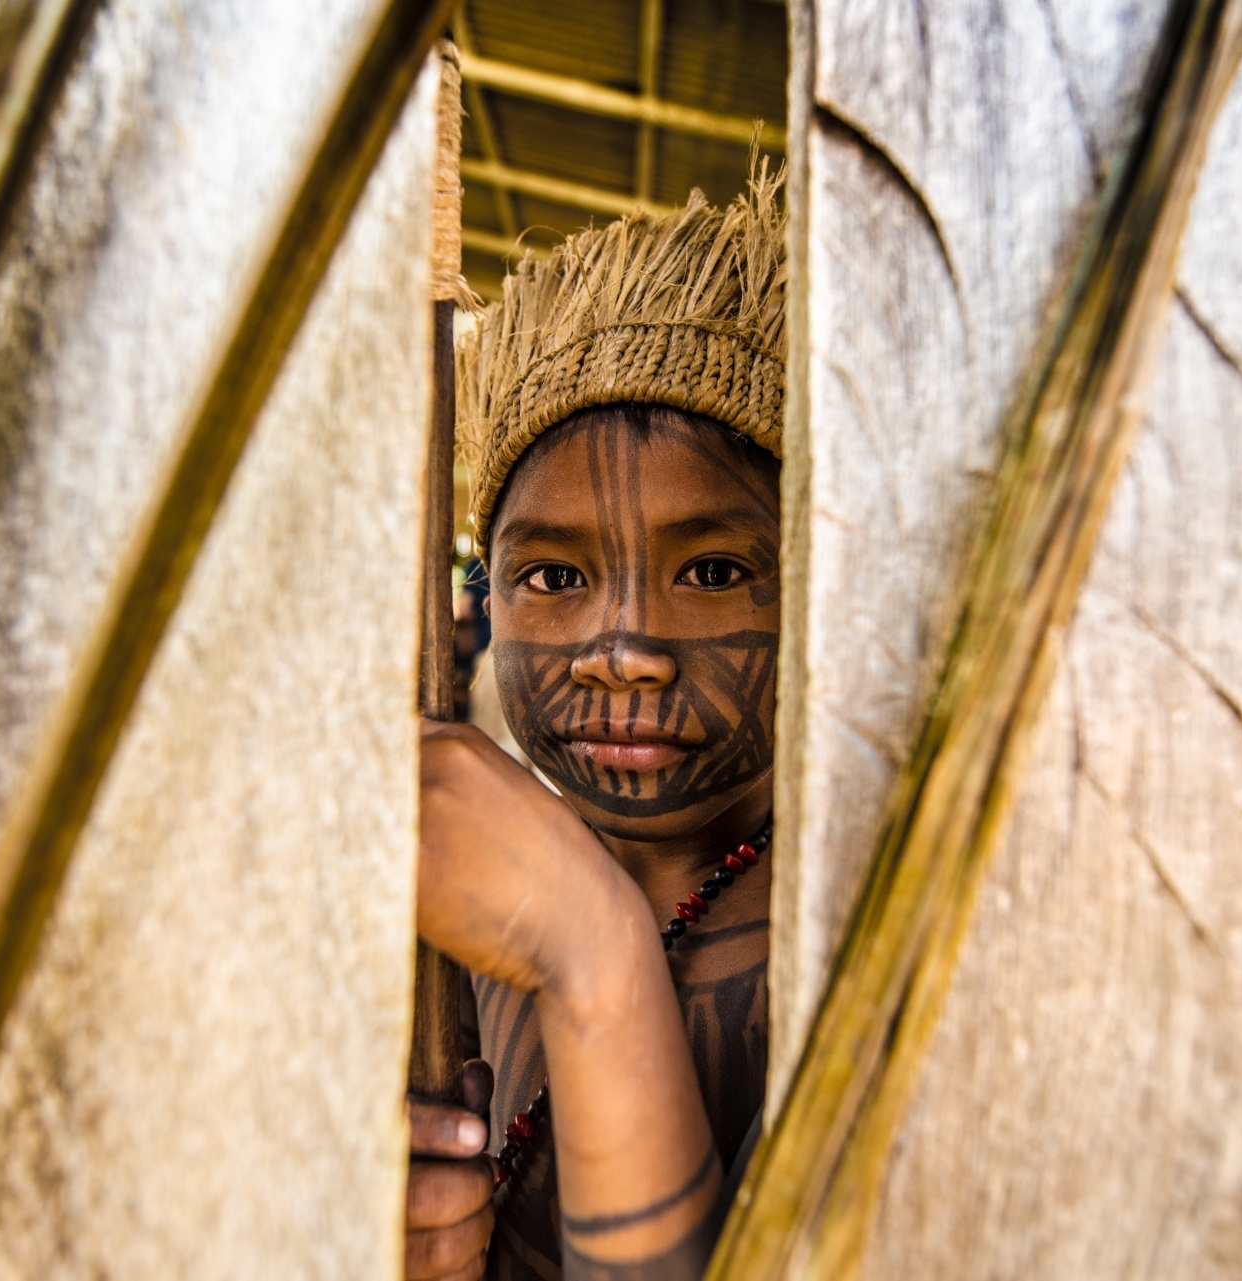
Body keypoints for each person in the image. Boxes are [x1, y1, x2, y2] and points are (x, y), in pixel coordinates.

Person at [405, 169, 785, 1281]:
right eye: (553, 573)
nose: (622, 647)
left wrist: (594, 953)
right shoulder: (441, 907)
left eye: (712, 569)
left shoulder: (859, 923)